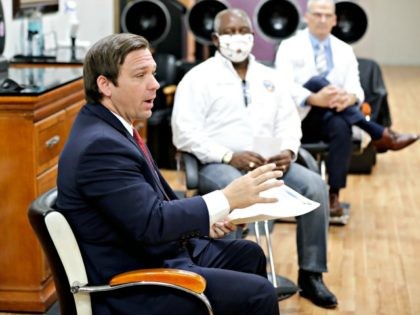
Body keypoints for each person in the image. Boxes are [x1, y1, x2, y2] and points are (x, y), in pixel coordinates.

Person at [56, 33, 284, 315]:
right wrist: (226, 198)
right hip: (135, 280)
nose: (154, 85)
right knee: (258, 294)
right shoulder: (100, 147)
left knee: (248, 254)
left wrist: (205, 220)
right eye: (140, 75)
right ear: (105, 84)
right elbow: (152, 223)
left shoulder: (111, 127)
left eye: (153, 73)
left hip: (155, 251)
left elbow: (145, 205)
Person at [172, 8, 338, 309]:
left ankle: (312, 275)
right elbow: (184, 133)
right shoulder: (198, 78)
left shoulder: (270, 77)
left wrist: (288, 151)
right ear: (215, 38)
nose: (238, 39)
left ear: (253, 35)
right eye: (230, 32)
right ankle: (228, 280)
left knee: (315, 186)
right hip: (220, 166)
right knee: (231, 191)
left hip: (270, 165)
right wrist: (228, 155)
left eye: (243, 31)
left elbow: (289, 122)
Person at [274, 0, 419, 215]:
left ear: (335, 20)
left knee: (341, 124)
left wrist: (349, 98)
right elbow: (282, 86)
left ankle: (334, 194)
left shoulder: (344, 50)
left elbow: (356, 89)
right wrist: (314, 98)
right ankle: (379, 134)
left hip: (334, 116)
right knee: (316, 82)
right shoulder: (289, 46)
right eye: (317, 14)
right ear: (307, 17)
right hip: (300, 118)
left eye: (327, 15)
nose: (322, 20)